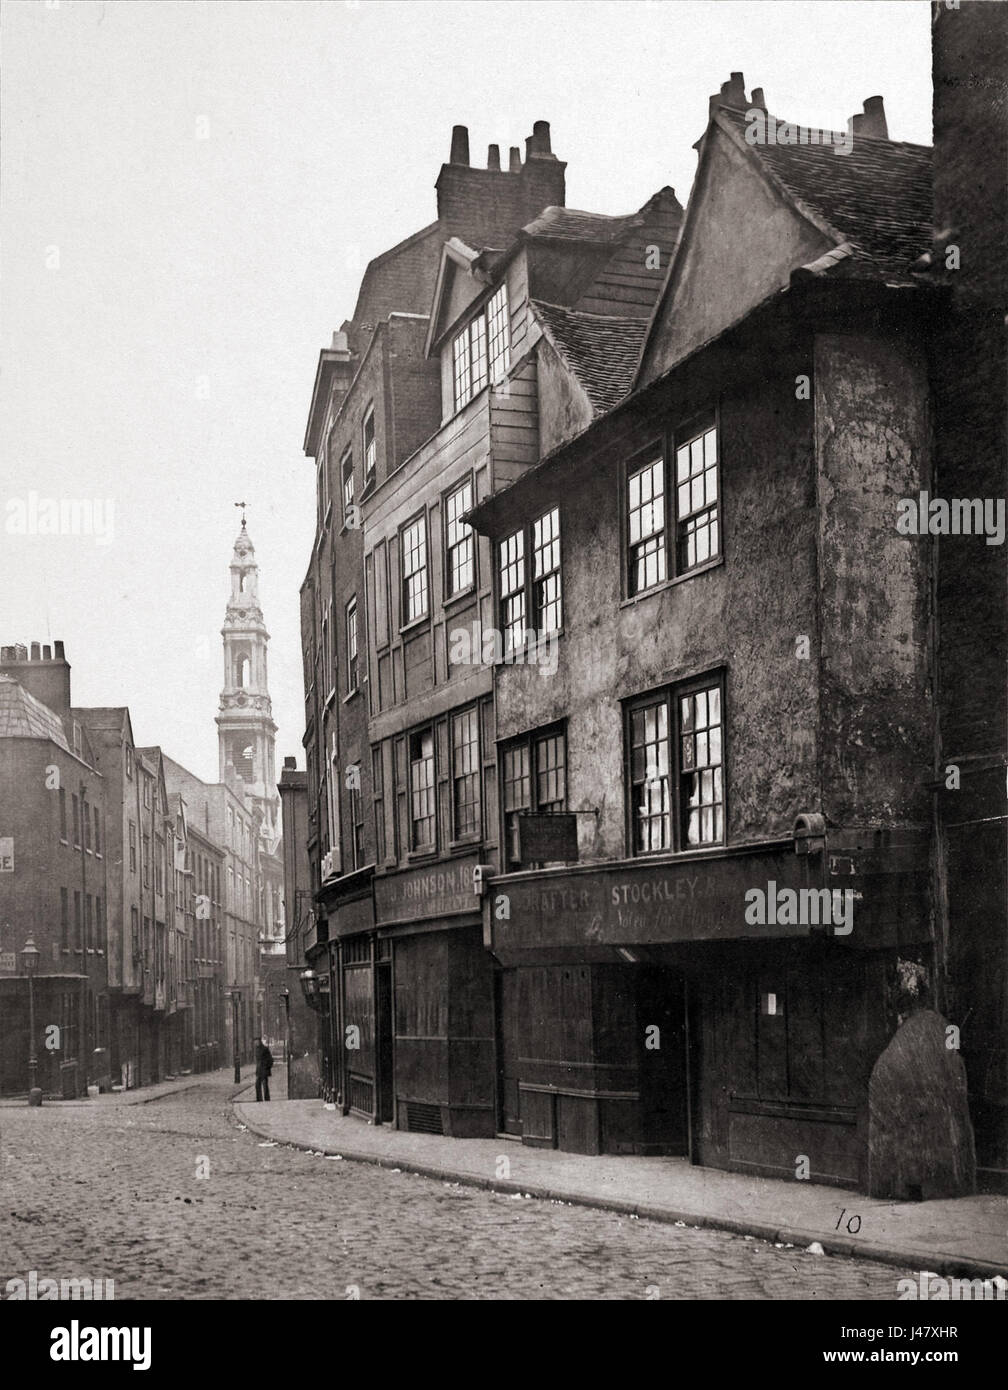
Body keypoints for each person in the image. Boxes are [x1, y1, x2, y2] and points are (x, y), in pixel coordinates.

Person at [254, 1035, 273, 1102]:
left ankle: (267, 1099)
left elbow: (270, 1060)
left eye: (257, 1041)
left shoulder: (265, 1049)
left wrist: (267, 1068)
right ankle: (259, 1099)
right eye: (255, 1042)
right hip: (259, 1070)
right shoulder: (256, 1049)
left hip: (264, 1070)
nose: (256, 1043)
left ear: (259, 1041)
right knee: (257, 1085)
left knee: (265, 1086)